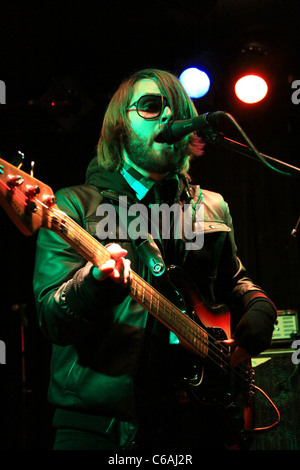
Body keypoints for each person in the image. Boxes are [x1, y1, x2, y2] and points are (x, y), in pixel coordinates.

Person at [33, 68, 277, 451]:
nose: (166, 116)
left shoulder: (211, 205)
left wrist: (259, 306)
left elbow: (234, 281)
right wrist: (94, 286)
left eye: (175, 109)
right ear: (119, 124)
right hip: (103, 429)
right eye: (149, 106)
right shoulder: (73, 204)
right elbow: (51, 318)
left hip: (202, 422)